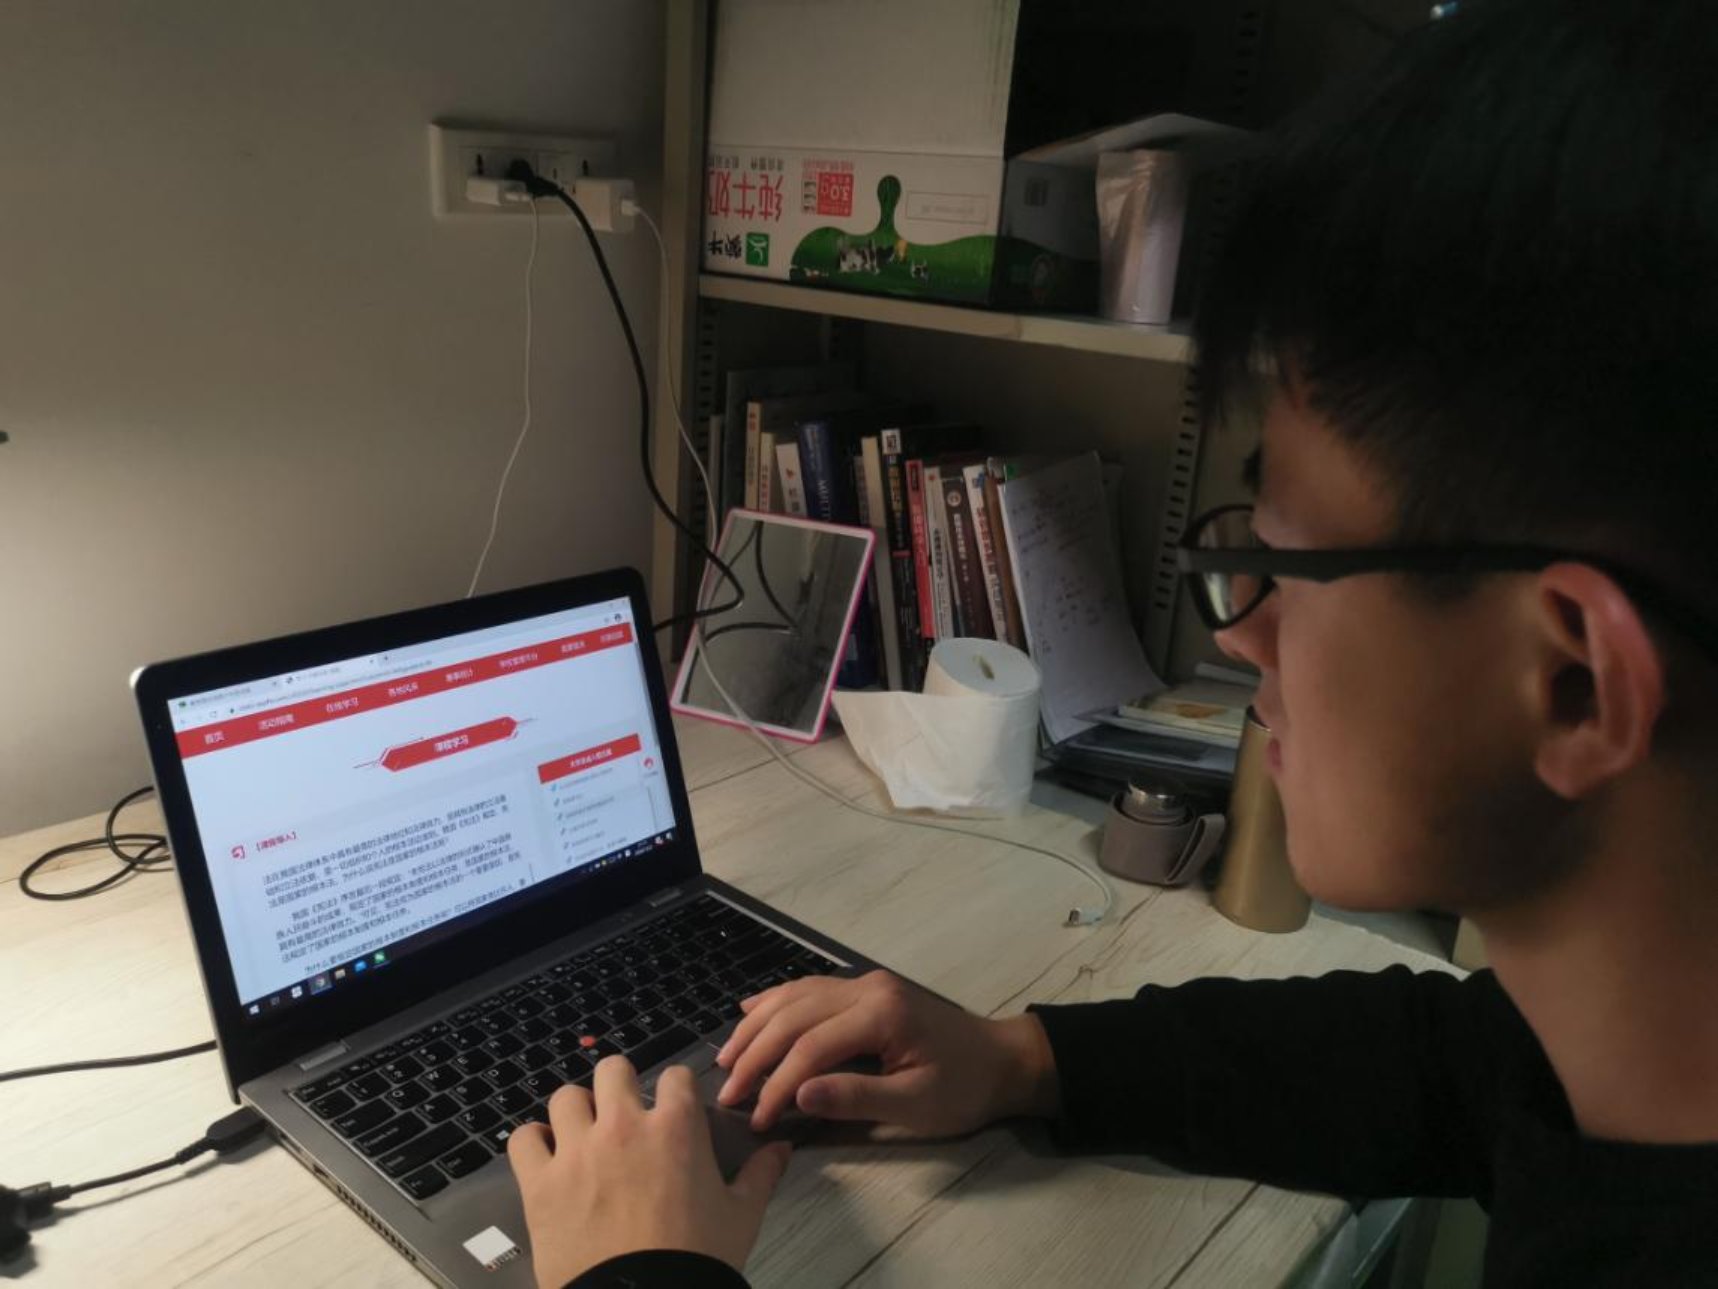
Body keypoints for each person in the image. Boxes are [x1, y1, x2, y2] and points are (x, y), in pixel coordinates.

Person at [506, 1, 1718, 1284]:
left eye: (1283, 569)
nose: (1244, 640)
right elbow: (1448, 1058)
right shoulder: (1609, 1051)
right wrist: (1019, 1056)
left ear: (1573, 683)